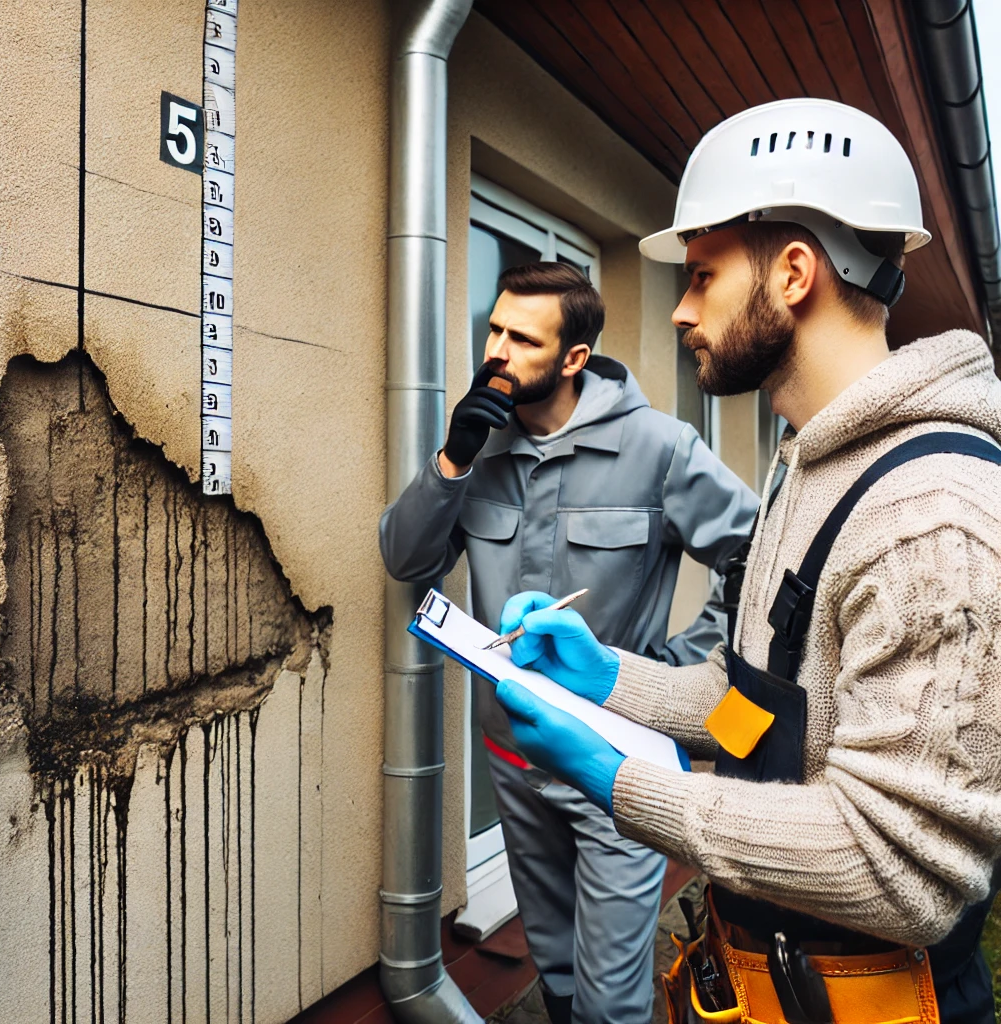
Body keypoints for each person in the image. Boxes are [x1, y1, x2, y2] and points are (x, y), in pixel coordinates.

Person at [494, 98, 1001, 1024]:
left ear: (796, 272)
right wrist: (612, 681)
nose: (681, 309)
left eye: (700, 275)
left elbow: (902, 868)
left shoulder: (931, 517)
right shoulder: (804, 464)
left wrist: (624, 783)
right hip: (767, 985)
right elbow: (756, 716)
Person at [380, 261, 758, 1024]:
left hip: (620, 765)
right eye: (494, 329)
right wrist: (452, 459)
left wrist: (679, 675)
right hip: (514, 758)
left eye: (522, 338)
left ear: (574, 358)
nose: (497, 350)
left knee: (612, 998)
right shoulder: (478, 446)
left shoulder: (659, 447)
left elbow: (757, 557)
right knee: (553, 963)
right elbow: (406, 561)